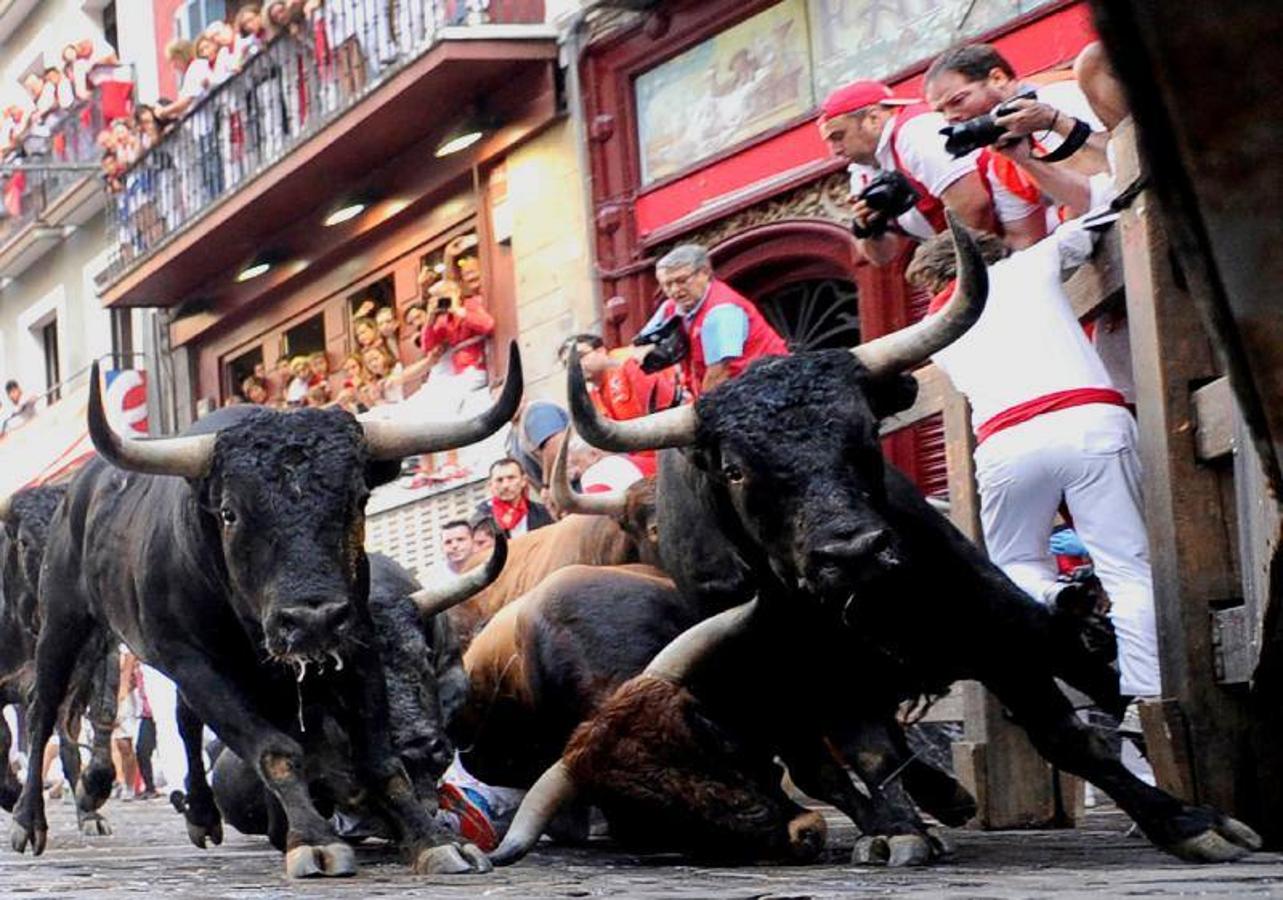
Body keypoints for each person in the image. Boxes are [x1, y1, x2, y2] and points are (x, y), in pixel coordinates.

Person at [904, 215, 1161, 703]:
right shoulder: (1032, 265)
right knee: (1128, 570)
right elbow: (1098, 216)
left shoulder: (935, 330)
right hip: (1089, 421)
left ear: (938, 282)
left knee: (1015, 561)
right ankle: (1149, 702)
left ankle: (1053, 594)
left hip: (1006, 444)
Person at [924, 44, 1112, 235]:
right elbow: (1023, 238)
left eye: (957, 101)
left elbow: (1114, 171)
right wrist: (1024, 160)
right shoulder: (1001, 160)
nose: (950, 117)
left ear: (998, 78)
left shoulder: (1059, 98)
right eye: (941, 111)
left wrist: (1056, 122)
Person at [817, 79, 996, 265]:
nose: (834, 151)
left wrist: (962, 270)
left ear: (874, 118)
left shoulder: (917, 131)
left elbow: (974, 206)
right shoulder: (861, 170)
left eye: (838, 136)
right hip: (963, 254)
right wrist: (869, 229)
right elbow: (883, 256)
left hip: (1003, 240)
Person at [638, 244, 787, 398]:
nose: (675, 290)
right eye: (667, 285)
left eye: (682, 281)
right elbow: (640, 348)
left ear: (705, 273)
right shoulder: (671, 307)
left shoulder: (722, 311)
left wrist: (702, 412)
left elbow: (719, 374)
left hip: (765, 390)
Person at [474, 458, 553, 537]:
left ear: (523, 481)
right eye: (499, 480)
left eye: (511, 478)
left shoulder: (543, 513)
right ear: (490, 485)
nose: (505, 485)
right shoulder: (481, 519)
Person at [423, 519, 475, 584]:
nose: (454, 546)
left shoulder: (487, 566)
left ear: (473, 541)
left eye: (460, 539)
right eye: (448, 542)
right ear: (442, 547)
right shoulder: (432, 579)